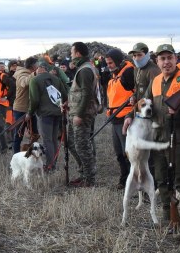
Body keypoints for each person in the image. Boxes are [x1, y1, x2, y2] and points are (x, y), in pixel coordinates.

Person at [144, 44, 180, 224]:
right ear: (157, 62)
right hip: (160, 137)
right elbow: (146, 103)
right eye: (162, 59)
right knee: (161, 180)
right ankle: (168, 217)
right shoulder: (154, 81)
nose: (166, 62)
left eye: (170, 57)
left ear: (176, 59)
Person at [66, 41, 100, 187]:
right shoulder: (84, 68)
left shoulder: (85, 70)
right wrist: (68, 104)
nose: (71, 55)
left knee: (82, 147)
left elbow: (87, 94)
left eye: (72, 52)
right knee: (72, 144)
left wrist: (79, 114)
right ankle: (83, 174)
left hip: (82, 115)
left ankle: (89, 180)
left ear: (78, 53)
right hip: (75, 113)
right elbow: (80, 92)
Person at [27, 62, 68, 170]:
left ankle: (50, 165)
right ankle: (53, 163)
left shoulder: (34, 80)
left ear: (37, 69)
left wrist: (30, 113)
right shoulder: (56, 79)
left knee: (47, 140)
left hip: (44, 114)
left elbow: (34, 100)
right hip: (57, 113)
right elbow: (64, 95)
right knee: (54, 139)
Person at [105, 48, 135, 189]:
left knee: (128, 153)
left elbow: (137, 92)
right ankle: (124, 180)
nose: (108, 65)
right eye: (107, 63)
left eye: (110, 62)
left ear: (117, 61)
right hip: (115, 118)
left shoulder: (128, 72)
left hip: (126, 117)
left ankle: (132, 181)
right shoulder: (114, 75)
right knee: (119, 153)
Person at [13, 57, 37, 153]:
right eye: (37, 65)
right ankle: (16, 156)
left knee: (35, 134)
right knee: (19, 134)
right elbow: (24, 83)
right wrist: (35, 74)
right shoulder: (22, 74)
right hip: (21, 108)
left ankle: (31, 154)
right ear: (33, 66)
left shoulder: (28, 73)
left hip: (31, 109)